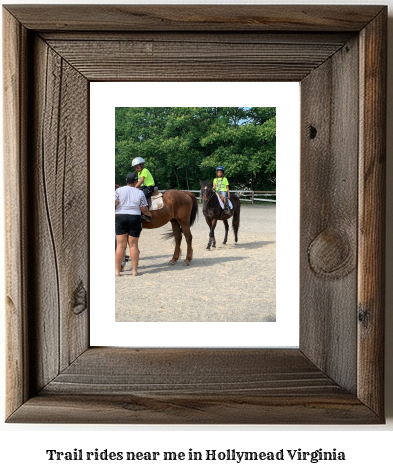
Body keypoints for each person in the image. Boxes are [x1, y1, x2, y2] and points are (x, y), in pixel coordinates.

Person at [115, 173, 152, 277]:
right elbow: (144, 209)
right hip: (134, 218)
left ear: (126, 180)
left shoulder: (118, 191)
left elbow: (114, 204)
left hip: (121, 217)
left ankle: (117, 271)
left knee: (120, 246)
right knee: (134, 245)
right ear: (136, 181)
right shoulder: (140, 193)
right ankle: (134, 271)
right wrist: (149, 214)